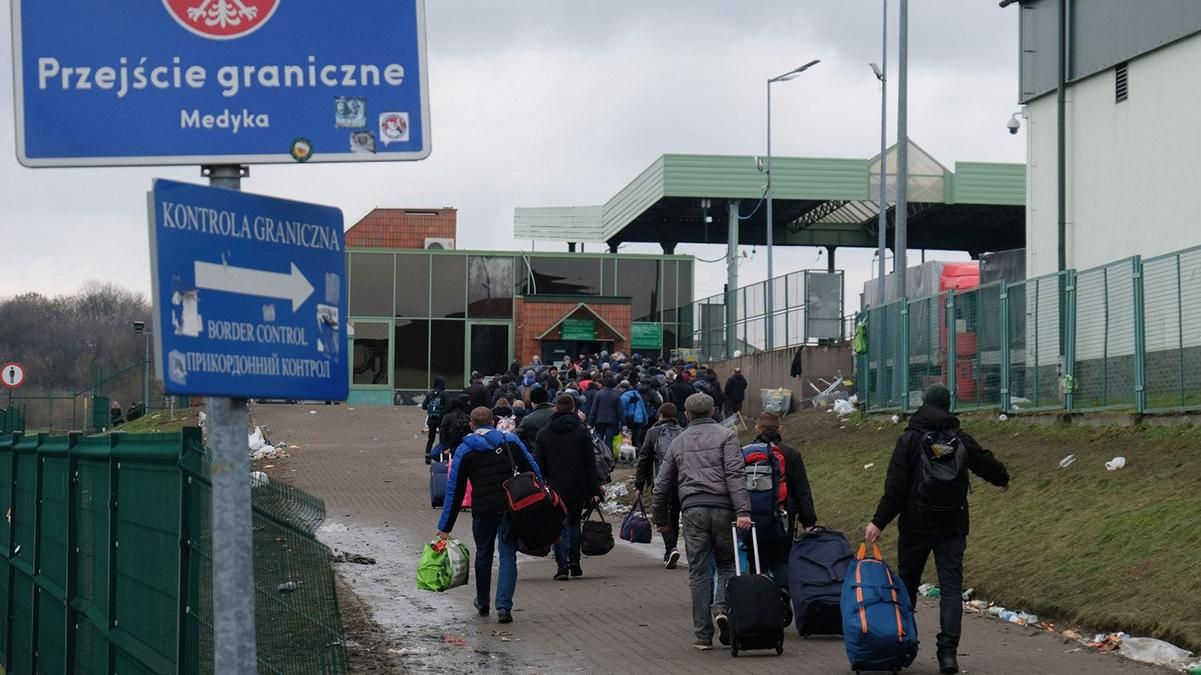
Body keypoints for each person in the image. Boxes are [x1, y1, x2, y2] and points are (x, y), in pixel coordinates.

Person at [864, 385, 1010, 675]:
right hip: (953, 524)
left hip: (915, 525)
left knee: (907, 585)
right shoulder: (959, 438)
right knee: (951, 588)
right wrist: (1001, 479)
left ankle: (902, 644)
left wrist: (878, 522)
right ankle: (948, 654)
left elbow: (895, 486)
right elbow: (986, 462)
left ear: (923, 404)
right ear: (948, 406)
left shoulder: (909, 438)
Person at [651, 393, 752, 650]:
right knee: (727, 564)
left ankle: (702, 635)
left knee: (698, 572)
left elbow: (661, 485)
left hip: (693, 509)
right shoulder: (727, 436)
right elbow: (735, 474)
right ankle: (722, 608)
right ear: (713, 411)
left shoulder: (679, 441)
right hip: (724, 509)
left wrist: (661, 519)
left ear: (687, 414)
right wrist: (743, 511)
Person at [437, 407, 543, 625]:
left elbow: (454, 490)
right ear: (493, 422)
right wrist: (542, 495)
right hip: (511, 507)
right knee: (507, 554)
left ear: (472, 425)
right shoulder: (510, 441)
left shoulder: (465, 450)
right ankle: (504, 606)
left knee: (483, 554)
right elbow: (533, 470)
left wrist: (445, 526)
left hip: (483, 510)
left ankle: (483, 601)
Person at [741, 411, 818, 590]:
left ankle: (761, 596)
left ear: (757, 428)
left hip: (753, 517)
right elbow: (802, 490)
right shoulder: (791, 454)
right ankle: (783, 594)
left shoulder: (746, 452)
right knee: (782, 559)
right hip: (783, 517)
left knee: (756, 559)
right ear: (780, 428)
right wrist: (809, 521)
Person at [534, 395, 603, 580]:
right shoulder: (582, 431)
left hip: (554, 487)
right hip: (578, 485)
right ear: (573, 409)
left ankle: (562, 566)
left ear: (555, 408)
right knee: (574, 523)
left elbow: (539, 464)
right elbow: (590, 463)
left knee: (560, 525)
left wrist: (539, 486)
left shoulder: (544, 433)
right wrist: (594, 489)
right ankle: (575, 562)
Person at [634, 402, 685, 568]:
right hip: (681, 481)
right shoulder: (683, 432)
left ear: (660, 416)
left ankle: (670, 548)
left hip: (661, 480)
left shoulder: (653, 432)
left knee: (662, 515)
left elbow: (644, 459)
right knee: (674, 514)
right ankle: (671, 549)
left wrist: (639, 484)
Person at [421, 376, 451, 463]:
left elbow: (424, 406)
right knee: (442, 438)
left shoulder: (429, 394)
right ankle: (441, 455)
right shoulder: (445, 394)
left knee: (431, 438)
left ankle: (428, 454)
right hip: (441, 420)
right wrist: (442, 413)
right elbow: (448, 407)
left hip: (431, 419)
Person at [587, 378, 623, 449]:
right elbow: (620, 411)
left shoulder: (599, 393)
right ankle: (609, 454)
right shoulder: (616, 395)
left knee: (598, 439)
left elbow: (594, 409)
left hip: (600, 421)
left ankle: (599, 453)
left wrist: (590, 423)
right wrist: (624, 423)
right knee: (609, 440)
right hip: (612, 421)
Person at [436, 395, 472, 460]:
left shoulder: (447, 416)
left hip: (450, 444)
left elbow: (443, 432)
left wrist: (446, 446)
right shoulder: (467, 417)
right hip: (463, 443)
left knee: (435, 454)